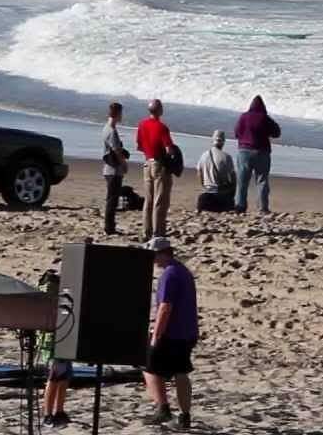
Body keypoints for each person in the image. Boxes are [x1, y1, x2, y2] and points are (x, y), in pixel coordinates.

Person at [143, 237, 198, 429]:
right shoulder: (183, 271)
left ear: (163, 254)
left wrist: (156, 336)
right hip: (188, 331)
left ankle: (162, 408)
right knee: (181, 371)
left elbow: (165, 307)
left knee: (149, 368)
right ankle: (185, 415)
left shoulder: (169, 274)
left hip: (171, 333)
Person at [137, 99, 176, 240]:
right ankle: (157, 231)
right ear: (159, 110)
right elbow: (169, 149)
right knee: (159, 200)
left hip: (147, 162)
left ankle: (146, 231)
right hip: (159, 164)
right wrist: (171, 154)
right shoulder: (161, 127)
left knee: (148, 199)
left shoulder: (142, 125)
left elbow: (140, 145)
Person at [234, 96, 280, 214]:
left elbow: (237, 132)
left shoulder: (243, 117)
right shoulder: (265, 118)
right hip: (262, 152)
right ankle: (262, 208)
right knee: (262, 180)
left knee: (242, 180)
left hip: (244, 151)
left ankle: (240, 206)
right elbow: (277, 132)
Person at [102, 102, 129, 235]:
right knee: (112, 199)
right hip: (113, 169)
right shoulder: (112, 131)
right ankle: (109, 227)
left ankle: (109, 225)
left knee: (111, 198)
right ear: (118, 114)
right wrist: (124, 163)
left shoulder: (106, 128)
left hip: (108, 167)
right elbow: (116, 150)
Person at [196, 130, 236, 212]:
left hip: (206, 198)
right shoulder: (226, 157)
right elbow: (233, 177)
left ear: (212, 140)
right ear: (223, 142)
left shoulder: (204, 155)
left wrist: (203, 186)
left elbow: (199, 173)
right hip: (221, 196)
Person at [38, 326, 71, 427]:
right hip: (52, 339)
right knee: (53, 379)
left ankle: (60, 411)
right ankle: (47, 414)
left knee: (64, 378)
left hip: (67, 335)